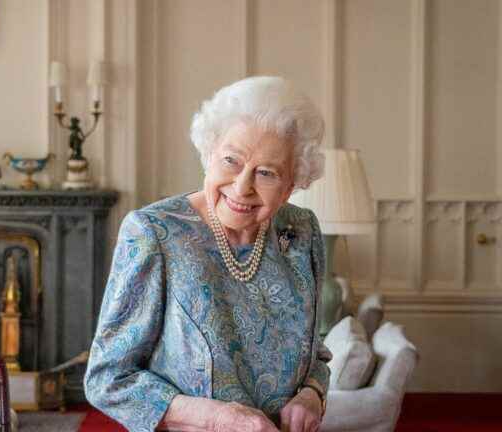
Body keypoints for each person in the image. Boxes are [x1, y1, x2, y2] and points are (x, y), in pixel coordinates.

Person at [84, 77, 331, 432]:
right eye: (231, 160)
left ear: (292, 184)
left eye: (266, 173)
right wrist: (217, 418)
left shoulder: (301, 231)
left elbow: (315, 350)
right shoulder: (153, 233)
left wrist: (312, 394)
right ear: (209, 154)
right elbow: (108, 379)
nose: (242, 186)